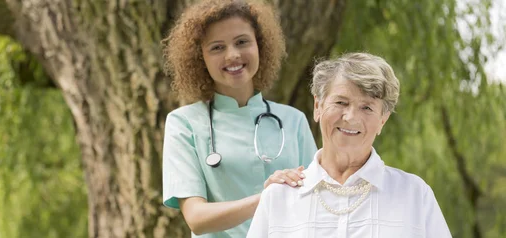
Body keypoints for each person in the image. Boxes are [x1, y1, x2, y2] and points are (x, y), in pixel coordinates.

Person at [247, 53, 452, 238]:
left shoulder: (415, 194)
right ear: (318, 107)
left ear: (383, 119)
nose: (351, 117)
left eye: (367, 107)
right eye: (341, 103)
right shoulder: (279, 196)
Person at [161, 0, 318, 237]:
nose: (233, 55)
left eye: (242, 42)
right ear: (200, 57)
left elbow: (315, 203)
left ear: (260, 46)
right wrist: (267, 197)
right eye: (217, 47)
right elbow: (196, 218)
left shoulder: (293, 120)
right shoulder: (183, 124)